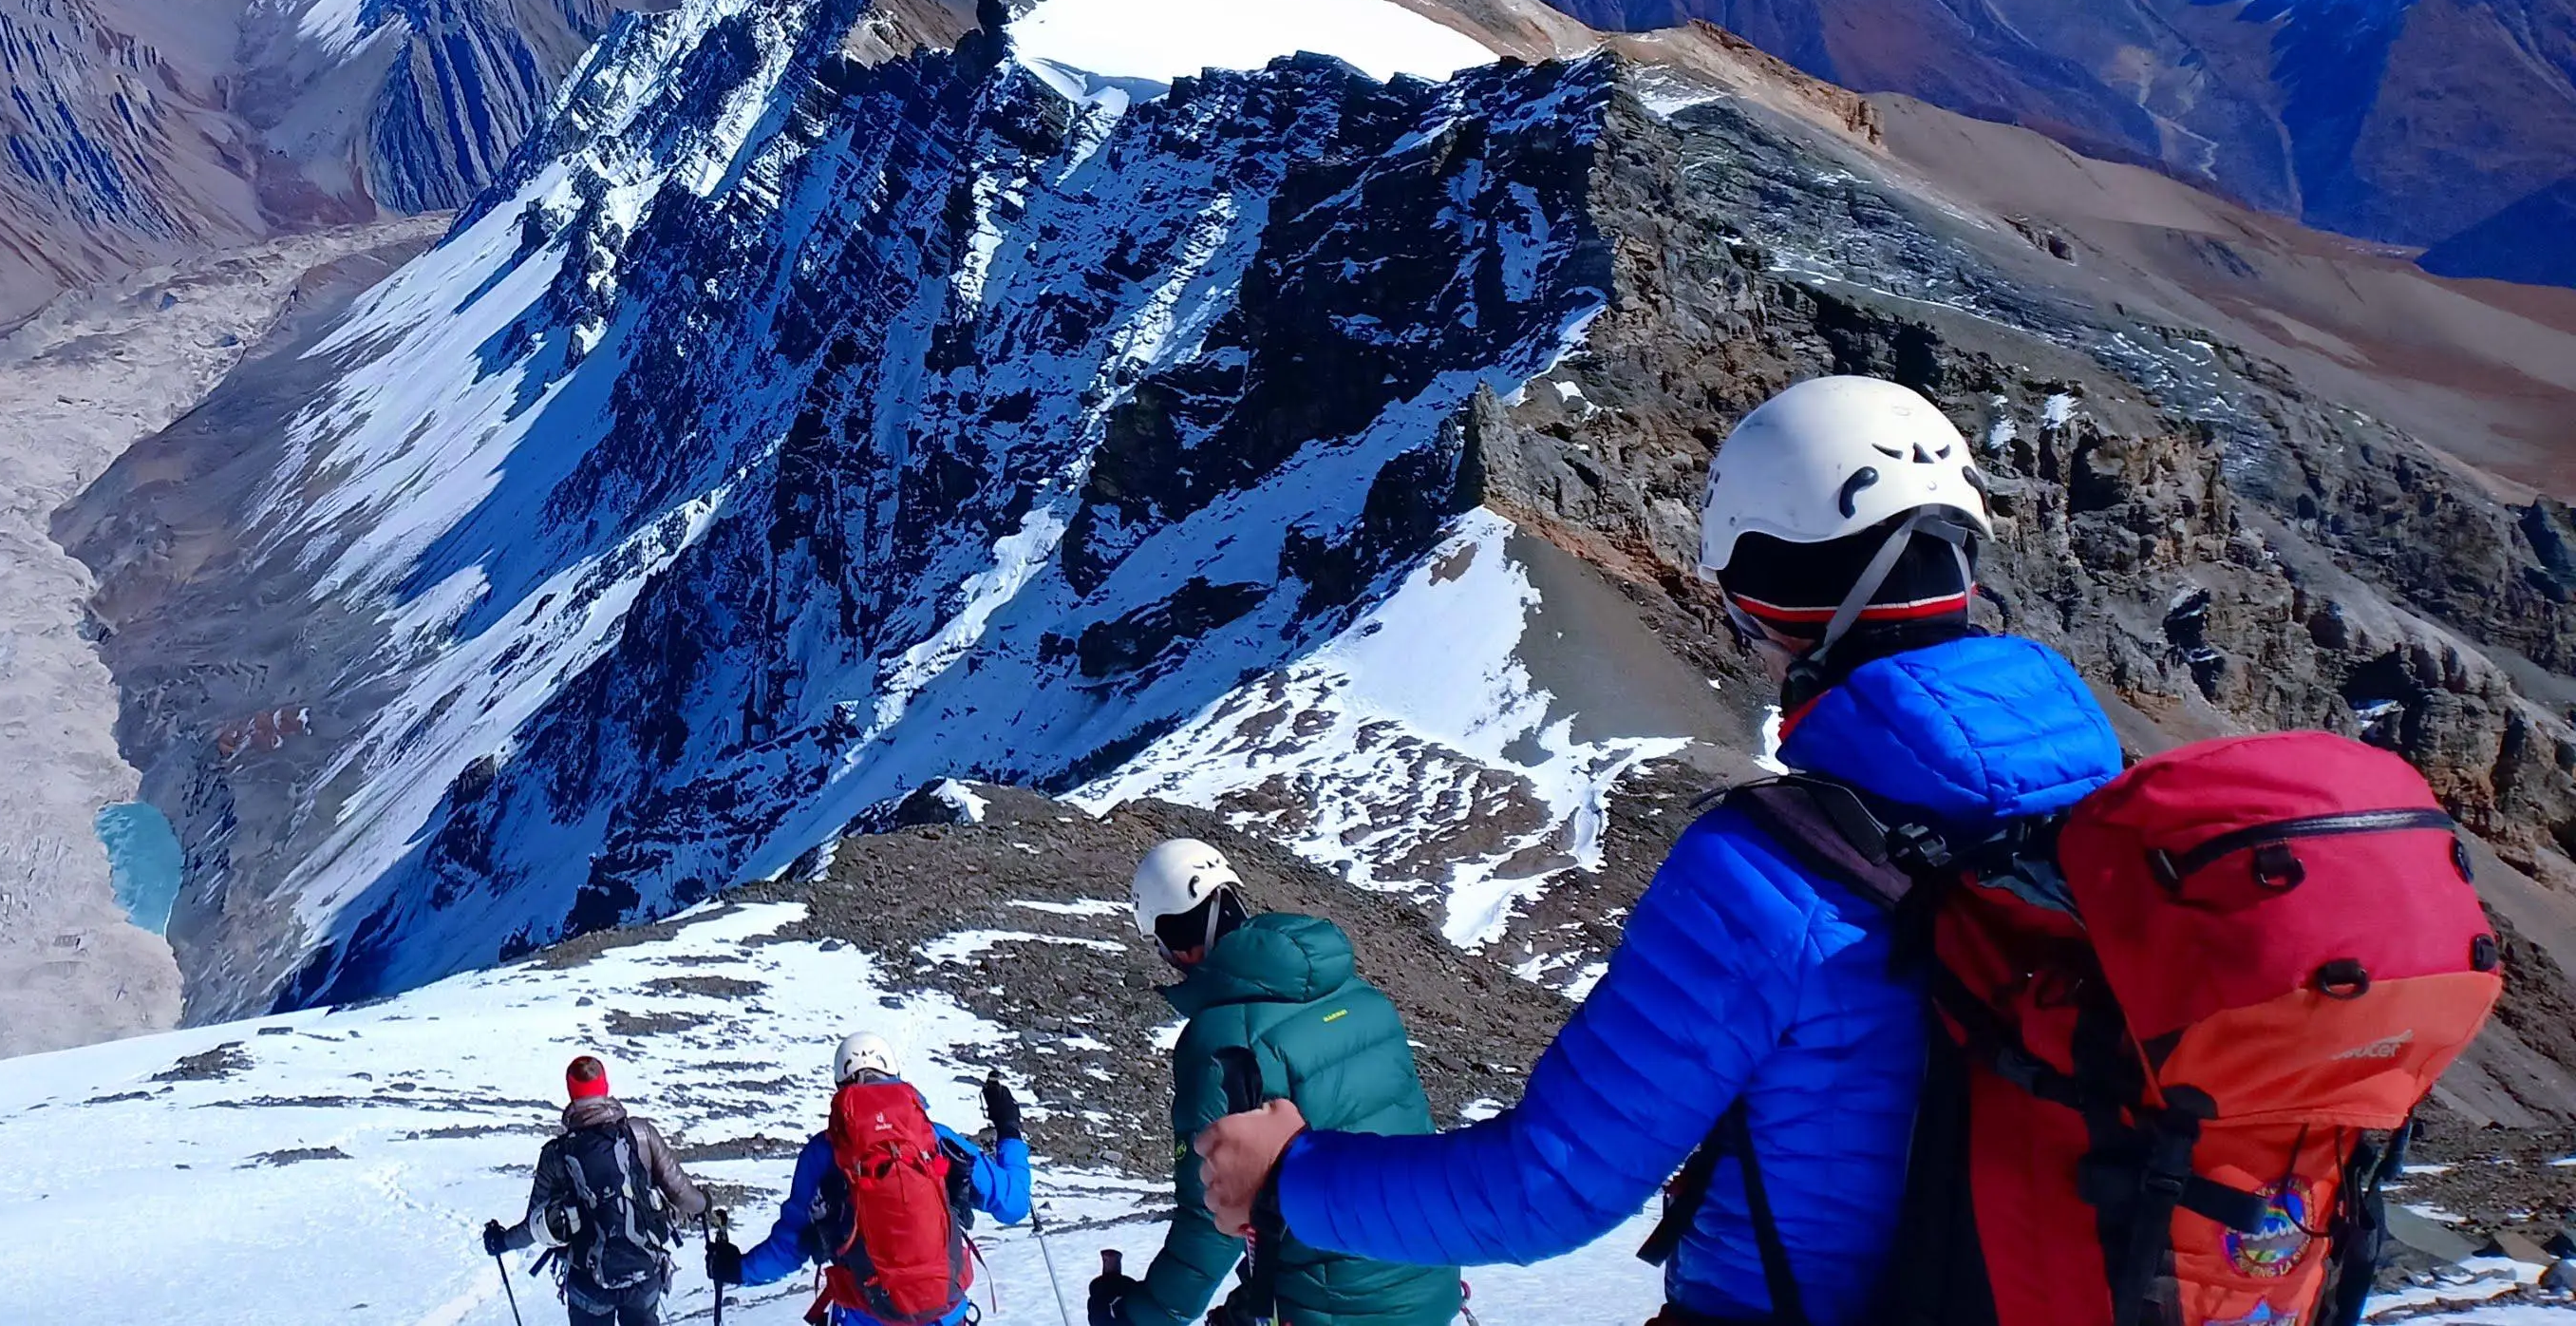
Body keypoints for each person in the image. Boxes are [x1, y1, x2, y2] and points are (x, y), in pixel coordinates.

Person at [1190, 375, 2125, 1326]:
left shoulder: (1770, 876)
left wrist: (1288, 1180)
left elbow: (1544, 1189)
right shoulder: (2106, 816)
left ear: (1766, 598)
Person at [1086, 839, 1460, 1326]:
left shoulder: (1221, 1037)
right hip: (1432, 1274)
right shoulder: (1356, 993)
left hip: (1336, 1308)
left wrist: (1141, 1313)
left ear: (1174, 942)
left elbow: (1213, 1212)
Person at [707, 1032, 1033, 1326]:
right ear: (895, 1075)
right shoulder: (934, 1139)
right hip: (944, 1314)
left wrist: (737, 1269)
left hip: (864, 1313)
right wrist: (1009, 1129)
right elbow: (1014, 1203)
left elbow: (790, 1248)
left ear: (840, 1085)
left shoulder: (823, 1154)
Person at [486, 1054, 711, 1326]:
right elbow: (684, 1196)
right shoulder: (641, 1134)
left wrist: (501, 1242)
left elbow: (534, 1226)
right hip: (644, 1270)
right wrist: (705, 1203)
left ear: (571, 1093)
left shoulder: (556, 1154)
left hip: (587, 1281)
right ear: (605, 1087)